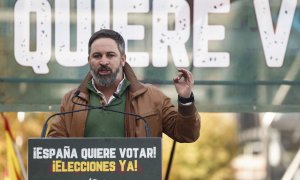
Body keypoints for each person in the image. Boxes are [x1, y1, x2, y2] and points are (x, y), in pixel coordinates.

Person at [47, 29, 200, 143]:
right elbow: (53, 148)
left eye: (110, 55)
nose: (104, 61)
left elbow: (187, 134)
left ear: (123, 59)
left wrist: (185, 99)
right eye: (97, 56)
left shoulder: (153, 97)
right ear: (89, 60)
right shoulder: (72, 100)